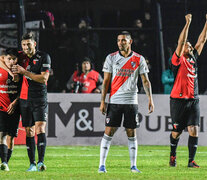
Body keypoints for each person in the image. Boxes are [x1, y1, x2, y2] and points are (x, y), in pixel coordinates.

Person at [98, 31, 154, 173]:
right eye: (118, 40)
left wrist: (150, 100)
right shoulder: (111, 58)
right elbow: (105, 81)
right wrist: (103, 101)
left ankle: (133, 166)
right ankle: (101, 166)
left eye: (123, 40)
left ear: (130, 42)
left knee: (131, 132)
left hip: (131, 101)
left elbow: (145, 81)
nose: (120, 43)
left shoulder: (139, 59)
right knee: (109, 131)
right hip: (115, 100)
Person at [169, 14, 207, 168]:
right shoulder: (177, 60)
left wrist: (206, 22)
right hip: (178, 100)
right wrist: (188, 23)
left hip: (193, 100)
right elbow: (181, 41)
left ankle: (191, 161)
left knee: (194, 130)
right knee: (177, 132)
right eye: (187, 45)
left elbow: (202, 40)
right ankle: (173, 155)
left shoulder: (193, 59)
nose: (189, 46)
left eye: (190, 46)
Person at [12, 32, 51, 171]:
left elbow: (44, 78)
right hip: (24, 99)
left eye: (28, 44)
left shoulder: (44, 56)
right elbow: (4, 58)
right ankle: (32, 164)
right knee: (29, 132)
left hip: (39, 97)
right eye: (23, 44)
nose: (26, 47)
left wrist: (24, 73)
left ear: (34, 44)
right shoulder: (20, 57)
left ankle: (41, 162)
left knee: (40, 128)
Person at [0, 48, 20, 171]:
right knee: (2, 134)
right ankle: (4, 163)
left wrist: (15, 102)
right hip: (1, 107)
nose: (11, 61)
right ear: (4, 58)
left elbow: (23, 90)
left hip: (15, 108)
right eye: (9, 58)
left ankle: (6, 162)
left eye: (14, 59)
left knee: (11, 137)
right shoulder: (2, 68)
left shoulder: (21, 71)